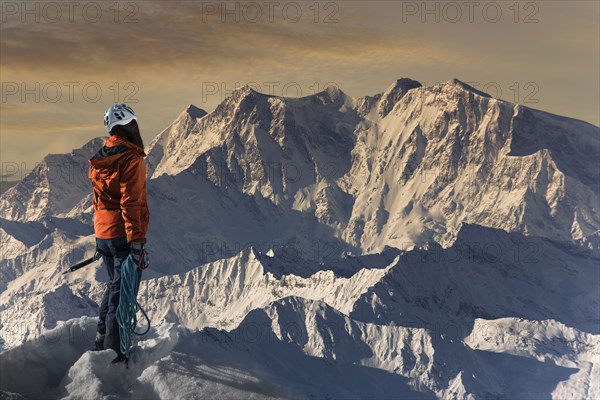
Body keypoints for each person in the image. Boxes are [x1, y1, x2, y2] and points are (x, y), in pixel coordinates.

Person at [89, 103, 149, 363]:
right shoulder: (131, 160)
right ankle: (115, 354)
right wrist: (136, 240)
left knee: (114, 287)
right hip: (123, 235)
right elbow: (130, 202)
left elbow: (98, 201)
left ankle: (102, 336)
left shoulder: (98, 160)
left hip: (103, 232)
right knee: (121, 296)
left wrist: (101, 233)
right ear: (130, 126)